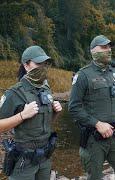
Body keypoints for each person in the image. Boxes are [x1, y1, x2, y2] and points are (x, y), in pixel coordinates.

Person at [68, 35, 115, 180]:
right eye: (104, 47)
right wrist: (97, 123)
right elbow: (74, 107)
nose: (108, 50)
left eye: (109, 47)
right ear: (93, 51)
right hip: (93, 139)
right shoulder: (83, 75)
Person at [0, 45, 62, 179]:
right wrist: (22, 115)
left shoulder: (45, 89)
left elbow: (43, 123)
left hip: (44, 157)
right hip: (24, 160)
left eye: (45, 64)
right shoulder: (14, 93)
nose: (43, 67)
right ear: (26, 65)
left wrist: (54, 112)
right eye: (38, 63)